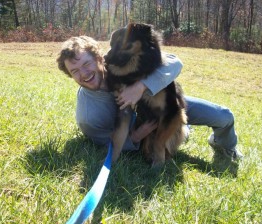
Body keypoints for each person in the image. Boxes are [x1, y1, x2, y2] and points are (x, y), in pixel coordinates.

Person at [56, 36, 244, 161]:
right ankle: (182, 131)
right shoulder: (89, 116)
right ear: (69, 76)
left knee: (225, 116)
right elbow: (107, 145)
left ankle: (224, 144)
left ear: (99, 57)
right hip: (147, 125)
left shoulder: (118, 59)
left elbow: (174, 61)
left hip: (166, 103)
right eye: (75, 71)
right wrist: (137, 135)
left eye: (86, 64)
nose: (84, 74)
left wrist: (140, 87)